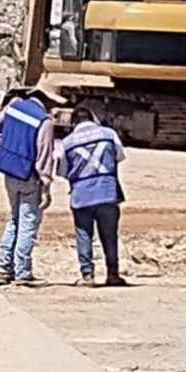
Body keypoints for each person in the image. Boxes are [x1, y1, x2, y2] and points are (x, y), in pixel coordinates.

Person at [0, 90, 56, 286]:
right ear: (45, 101)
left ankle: (4, 269)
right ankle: (23, 272)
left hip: (9, 173)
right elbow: (44, 155)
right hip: (29, 176)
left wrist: (5, 145)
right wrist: (46, 185)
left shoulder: (13, 107)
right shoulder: (45, 122)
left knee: (14, 218)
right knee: (28, 222)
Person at [58, 107, 127, 288]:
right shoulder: (109, 134)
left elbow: (62, 171)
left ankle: (87, 275)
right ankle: (113, 274)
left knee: (84, 235)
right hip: (107, 192)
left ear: (73, 123)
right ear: (93, 118)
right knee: (110, 236)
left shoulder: (67, 142)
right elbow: (119, 156)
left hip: (81, 195)